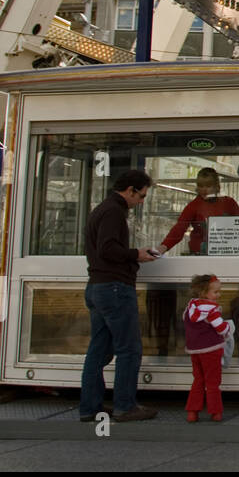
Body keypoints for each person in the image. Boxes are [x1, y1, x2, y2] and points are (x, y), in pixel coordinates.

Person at [79, 169, 159, 422]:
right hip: (114, 288)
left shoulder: (101, 209)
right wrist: (137, 254)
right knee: (129, 349)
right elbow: (109, 248)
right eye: (142, 196)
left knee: (98, 351)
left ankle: (89, 407)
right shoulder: (114, 212)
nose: (141, 201)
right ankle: (125, 405)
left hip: (97, 286)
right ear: (130, 190)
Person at [183, 273, 232, 422]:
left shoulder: (191, 307)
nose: (219, 295)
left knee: (198, 379)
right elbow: (221, 328)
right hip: (211, 349)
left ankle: (192, 411)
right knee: (213, 382)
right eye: (216, 292)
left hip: (194, 349)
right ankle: (215, 412)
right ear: (204, 293)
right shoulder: (211, 310)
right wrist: (228, 327)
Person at [161, 168, 239, 256]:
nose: (204, 190)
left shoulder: (229, 203)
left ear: (217, 187)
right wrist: (163, 247)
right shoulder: (194, 206)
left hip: (226, 252)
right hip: (199, 254)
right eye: (200, 186)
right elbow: (179, 229)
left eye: (208, 186)